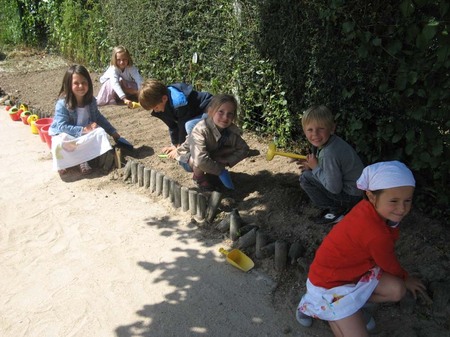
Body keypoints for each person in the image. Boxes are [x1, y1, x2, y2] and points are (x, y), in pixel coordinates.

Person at [296, 161, 428, 337]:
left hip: (356, 273)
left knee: (397, 291)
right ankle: (316, 306)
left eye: (407, 201)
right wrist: (407, 278)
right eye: (394, 201)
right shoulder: (375, 232)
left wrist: (403, 280)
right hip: (329, 285)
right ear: (372, 196)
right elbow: (388, 263)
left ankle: (347, 309)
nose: (402, 208)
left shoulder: (369, 208)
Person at [49, 64, 122, 175]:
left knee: (100, 132)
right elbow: (62, 127)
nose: (81, 86)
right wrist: (83, 129)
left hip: (84, 136)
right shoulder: (62, 104)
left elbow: (98, 118)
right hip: (69, 136)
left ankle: (83, 160)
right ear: (69, 85)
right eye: (76, 83)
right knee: (60, 140)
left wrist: (113, 132)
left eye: (84, 82)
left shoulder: (91, 101)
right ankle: (62, 163)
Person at [297, 105, 364, 225]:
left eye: (320, 128)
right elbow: (331, 169)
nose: (315, 134)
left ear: (332, 128)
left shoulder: (329, 153)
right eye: (310, 130)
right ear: (304, 131)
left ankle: (336, 210)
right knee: (309, 174)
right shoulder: (333, 142)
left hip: (352, 196)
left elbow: (334, 188)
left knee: (305, 178)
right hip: (358, 190)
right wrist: (313, 167)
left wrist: (316, 168)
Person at [176, 94, 249, 190]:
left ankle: (211, 170)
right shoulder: (201, 130)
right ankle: (199, 178)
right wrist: (220, 171)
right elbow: (200, 159)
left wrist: (227, 161)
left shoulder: (230, 131)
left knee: (232, 148)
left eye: (230, 114)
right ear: (211, 112)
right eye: (221, 112)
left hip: (210, 152)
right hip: (188, 156)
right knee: (198, 161)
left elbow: (244, 149)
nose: (225, 117)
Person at [138, 79, 213, 158]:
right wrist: (175, 144)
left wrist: (179, 149)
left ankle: (202, 153)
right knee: (188, 127)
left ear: (164, 99)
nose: (155, 111)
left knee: (189, 125)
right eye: (153, 109)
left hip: (210, 109)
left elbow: (182, 126)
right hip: (195, 115)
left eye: (156, 107)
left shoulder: (178, 102)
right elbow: (172, 126)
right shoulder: (161, 105)